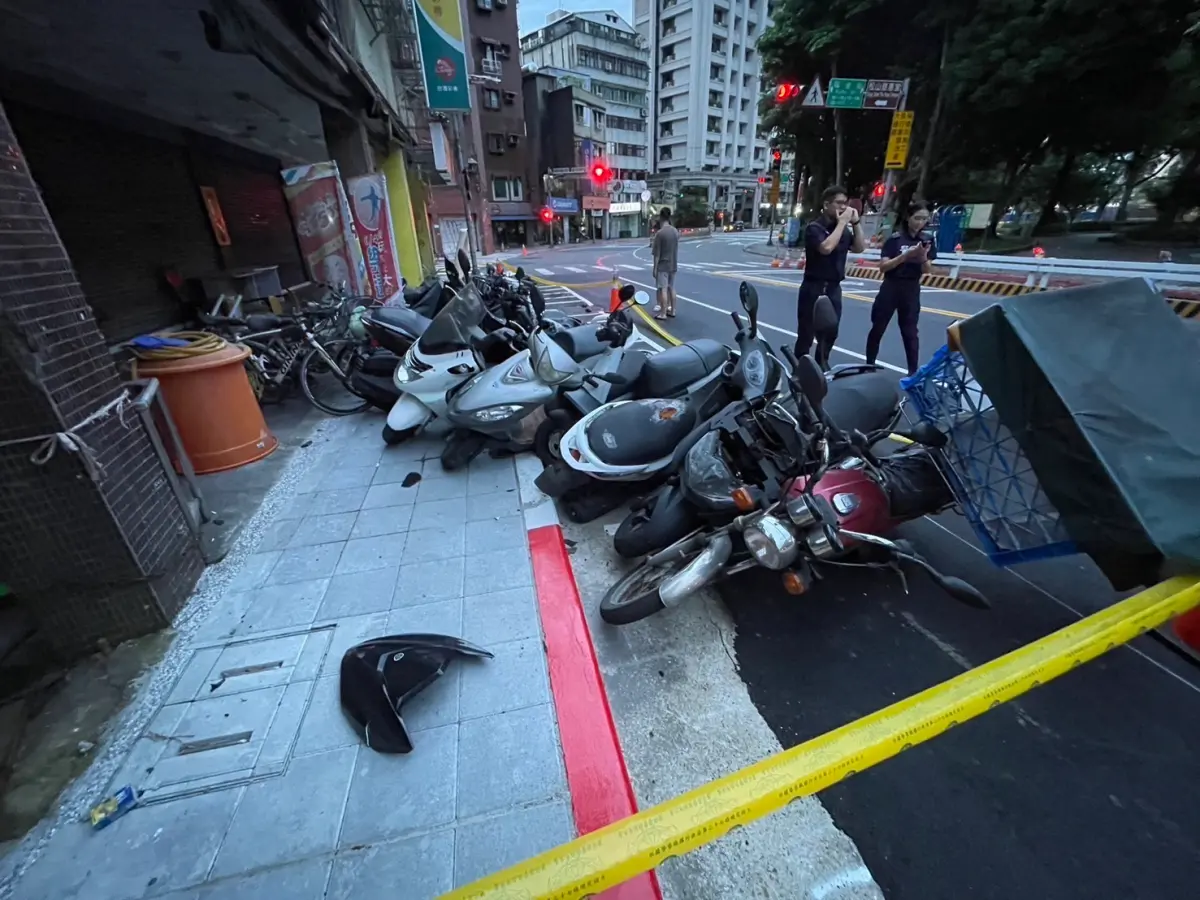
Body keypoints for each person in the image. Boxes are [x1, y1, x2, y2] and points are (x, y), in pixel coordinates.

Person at [795, 185, 865, 358]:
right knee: (806, 334)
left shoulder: (843, 229)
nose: (844, 208)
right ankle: (799, 369)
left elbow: (859, 247)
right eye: (839, 203)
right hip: (814, 287)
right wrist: (842, 222)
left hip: (834, 288)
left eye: (846, 204)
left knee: (830, 332)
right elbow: (826, 248)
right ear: (827, 205)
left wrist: (855, 223)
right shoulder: (815, 228)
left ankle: (821, 366)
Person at [866, 201, 934, 375]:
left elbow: (928, 270)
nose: (921, 223)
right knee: (878, 327)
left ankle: (913, 371)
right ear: (908, 218)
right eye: (917, 218)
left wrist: (922, 256)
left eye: (924, 219)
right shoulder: (895, 239)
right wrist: (905, 256)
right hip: (891, 286)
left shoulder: (927, 240)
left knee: (910, 331)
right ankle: (869, 364)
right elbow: (884, 266)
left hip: (911, 288)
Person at [651, 207, 679, 319]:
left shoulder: (660, 234)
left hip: (663, 265)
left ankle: (663, 313)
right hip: (673, 263)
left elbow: (657, 254)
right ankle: (672, 310)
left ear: (661, 217)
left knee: (663, 288)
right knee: (671, 287)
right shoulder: (675, 231)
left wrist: (655, 268)